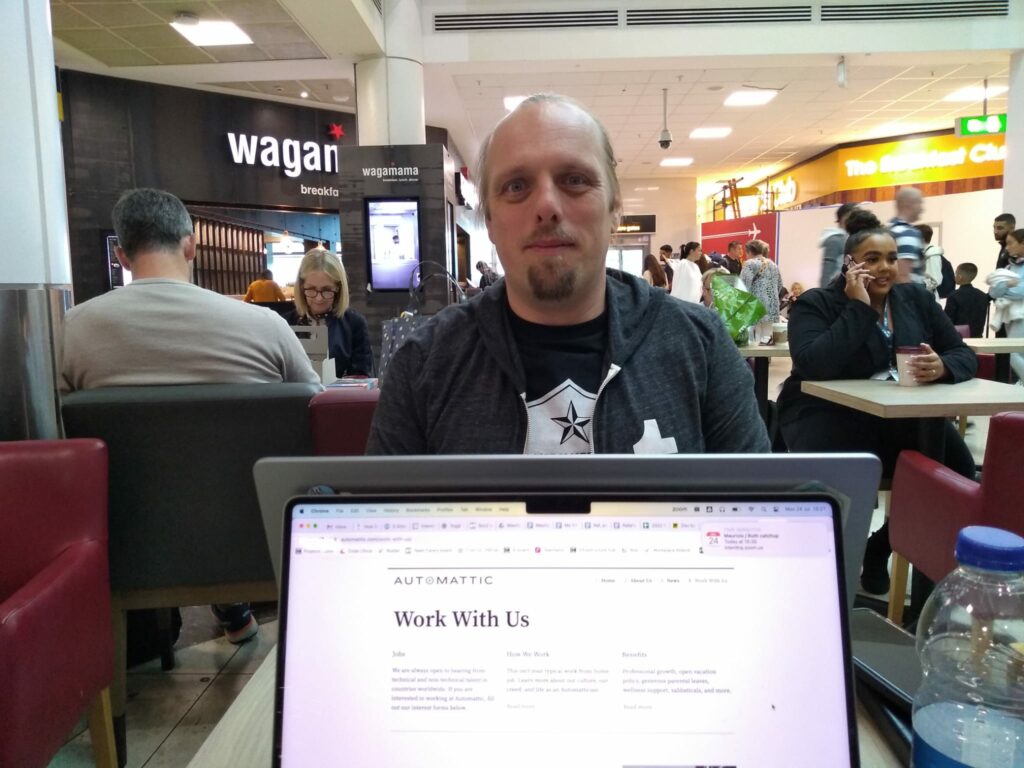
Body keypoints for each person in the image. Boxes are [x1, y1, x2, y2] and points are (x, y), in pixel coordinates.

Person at [366, 94, 769, 455]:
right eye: (516, 186)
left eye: (574, 180)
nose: (546, 205)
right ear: (488, 219)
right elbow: (380, 528)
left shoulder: (700, 347)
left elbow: (762, 519)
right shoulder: (425, 364)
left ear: (614, 209)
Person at [60, 188, 321, 644]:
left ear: (122, 254)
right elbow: (316, 414)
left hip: (129, 549)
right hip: (259, 542)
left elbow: (58, 437)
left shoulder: (71, 331)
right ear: (191, 245)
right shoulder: (263, 327)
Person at [776, 209, 977, 595]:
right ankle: (822, 574)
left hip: (902, 415)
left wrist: (943, 366)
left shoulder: (914, 298)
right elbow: (814, 364)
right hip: (826, 413)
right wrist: (860, 307)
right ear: (850, 264)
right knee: (845, 481)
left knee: (958, 473)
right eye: (872, 259)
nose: (885, 268)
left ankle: (881, 546)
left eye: (890, 258)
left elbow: (960, 352)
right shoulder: (817, 303)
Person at [285, 249, 373, 379]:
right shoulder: (284, 323)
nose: (319, 298)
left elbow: (360, 375)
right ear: (301, 287)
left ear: (338, 288)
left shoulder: (355, 323)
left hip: (338, 398)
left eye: (326, 290)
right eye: (311, 289)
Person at [987, 228, 1024, 383]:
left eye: (1010, 243)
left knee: (1014, 354)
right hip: (1009, 316)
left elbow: (1020, 292)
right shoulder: (1009, 267)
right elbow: (993, 292)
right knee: (1013, 354)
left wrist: (1003, 287)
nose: (1007, 247)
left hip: (1021, 315)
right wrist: (1007, 284)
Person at [739, 239, 784, 337]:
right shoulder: (773, 265)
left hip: (756, 309)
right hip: (772, 309)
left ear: (750, 251)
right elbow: (780, 285)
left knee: (755, 341)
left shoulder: (750, 264)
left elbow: (742, 287)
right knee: (768, 339)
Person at [943, 263, 990, 338]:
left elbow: (948, 320)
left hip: (958, 337)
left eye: (956, 274)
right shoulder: (983, 296)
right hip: (978, 338)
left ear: (960, 276)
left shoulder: (954, 295)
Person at [889, 187, 925, 284]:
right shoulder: (907, 234)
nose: (922, 209)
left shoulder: (889, 229)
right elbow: (903, 276)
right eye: (920, 203)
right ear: (908, 203)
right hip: (909, 296)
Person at [819, 202, 857, 287]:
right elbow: (827, 271)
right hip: (836, 288)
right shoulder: (835, 240)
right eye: (850, 217)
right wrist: (824, 294)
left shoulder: (852, 238)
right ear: (841, 220)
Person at [917, 224, 944, 299]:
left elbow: (935, 280)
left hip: (928, 299)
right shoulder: (923, 253)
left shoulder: (932, 255)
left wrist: (915, 285)